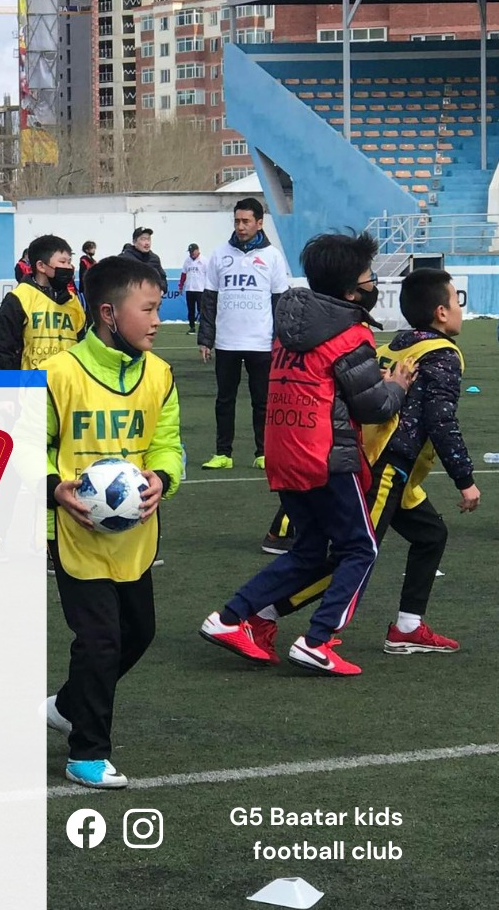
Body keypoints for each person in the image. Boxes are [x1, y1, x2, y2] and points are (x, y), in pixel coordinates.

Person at [199, 232, 414, 676]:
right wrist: (397, 386)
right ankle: (319, 640)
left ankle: (230, 618)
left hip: (284, 450)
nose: (373, 285)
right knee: (361, 548)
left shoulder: (290, 326)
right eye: (369, 278)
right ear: (352, 292)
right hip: (326, 455)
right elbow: (373, 407)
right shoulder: (349, 334)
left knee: (310, 550)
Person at [253, 269, 479, 658]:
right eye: (456, 301)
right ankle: (262, 613)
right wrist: (465, 479)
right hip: (385, 467)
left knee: (431, 535)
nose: (460, 309)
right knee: (355, 557)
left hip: (390, 467)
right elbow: (440, 420)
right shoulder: (443, 354)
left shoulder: (400, 343)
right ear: (441, 312)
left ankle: (407, 627)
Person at [43, 257, 182, 788]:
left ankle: (68, 704)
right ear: (108, 313)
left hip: (135, 537)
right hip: (75, 535)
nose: (157, 321)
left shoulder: (159, 375)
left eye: (158, 309)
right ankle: (87, 752)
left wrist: (162, 478)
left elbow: (167, 444)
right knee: (100, 641)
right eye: (147, 309)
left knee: (139, 633)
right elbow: (27, 445)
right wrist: (54, 488)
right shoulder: (58, 373)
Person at [198, 197, 290, 470]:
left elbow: (280, 302)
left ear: (259, 223)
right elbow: (210, 300)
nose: (240, 226)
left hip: (261, 343)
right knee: (224, 400)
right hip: (226, 342)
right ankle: (223, 453)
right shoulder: (219, 254)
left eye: (246, 221)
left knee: (262, 401)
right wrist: (206, 338)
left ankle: (263, 452)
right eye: (237, 221)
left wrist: (280, 341)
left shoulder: (273, 257)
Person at [0, 234, 84, 371]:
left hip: (67, 381)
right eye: (63, 262)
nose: (69, 267)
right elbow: (2, 350)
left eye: (69, 262)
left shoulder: (72, 301)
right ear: (41, 266)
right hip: (31, 382)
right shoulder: (19, 298)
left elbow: (82, 344)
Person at [119, 227, 167, 293]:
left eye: (148, 239)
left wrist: (162, 289)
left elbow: (162, 278)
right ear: (134, 242)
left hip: (150, 296)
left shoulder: (154, 259)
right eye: (143, 239)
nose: (147, 243)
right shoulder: (124, 258)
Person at [178, 242, 206, 334]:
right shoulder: (187, 261)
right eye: (190, 251)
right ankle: (192, 327)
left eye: (193, 251)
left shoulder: (204, 261)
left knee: (201, 309)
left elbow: (209, 275)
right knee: (191, 310)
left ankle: (203, 328)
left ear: (197, 250)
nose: (191, 253)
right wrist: (181, 286)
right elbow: (183, 274)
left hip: (200, 289)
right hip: (189, 289)